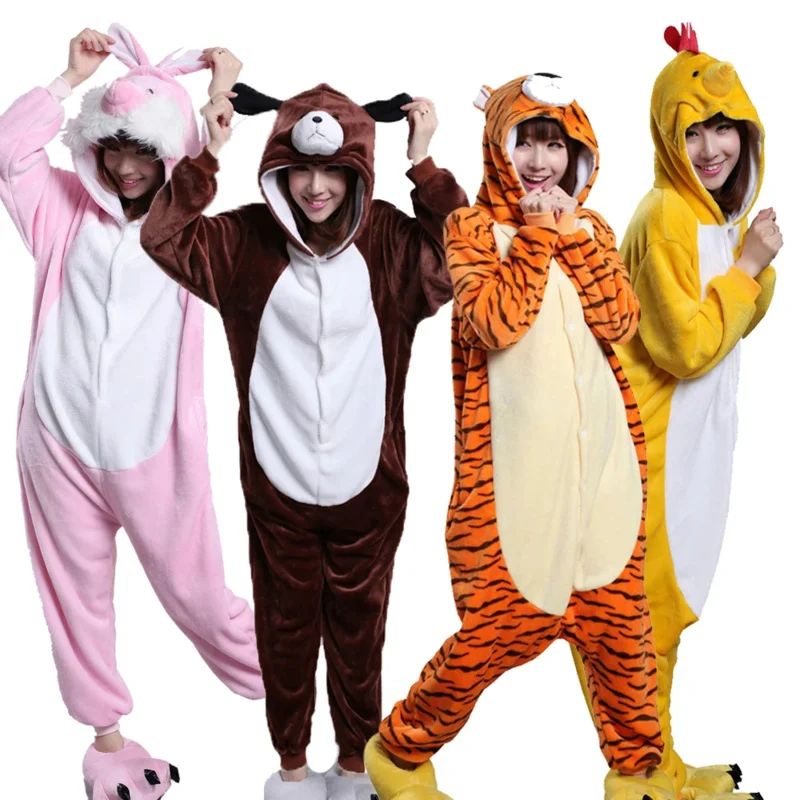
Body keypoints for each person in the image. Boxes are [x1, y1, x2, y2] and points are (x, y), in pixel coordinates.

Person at [140, 54, 468, 800]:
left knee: (360, 637)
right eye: (300, 170)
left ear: (357, 170)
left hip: (369, 490)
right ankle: (291, 770)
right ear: (278, 169)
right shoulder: (242, 242)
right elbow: (162, 238)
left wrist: (424, 167)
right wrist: (208, 155)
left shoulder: (389, 241)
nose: (316, 187)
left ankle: (353, 768)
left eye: (333, 172)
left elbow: (464, 256)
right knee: (284, 636)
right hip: (278, 490)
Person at [364, 71, 674, 800]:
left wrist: (571, 238)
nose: (541, 162)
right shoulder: (474, 230)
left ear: (578, 154)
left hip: (602, 477)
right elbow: (493, 324)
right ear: (499, 148)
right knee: (494, 636)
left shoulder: (593, 230)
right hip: (512, 491)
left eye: (556, 146)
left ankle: (640, 775)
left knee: (623, 640)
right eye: (525, 143)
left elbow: (620, 322)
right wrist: (536, 239)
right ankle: (398, 755)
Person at [0, 25, 263, 799]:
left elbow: (204, 160)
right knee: (73, 601)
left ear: (169, 154)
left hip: (154, 451)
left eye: (142, 151)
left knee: (200, 595)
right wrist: (68, 78)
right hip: (56, 444)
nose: (123, 167)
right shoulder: (61, 212)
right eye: (111, 148)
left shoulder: (184, 228)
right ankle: (109, 748)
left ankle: (298, 684)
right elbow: (9, 152)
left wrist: (218, 95)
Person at [572, 24, 780, 800]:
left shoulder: (712, 219)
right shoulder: (665, 214)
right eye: (693, 131)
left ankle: (660, 762)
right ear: (667, 136)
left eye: (725, 127)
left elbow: (731, 326)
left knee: (663, 614)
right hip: (645, 449)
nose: (712, 147)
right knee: (639, 619)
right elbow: (689, 345)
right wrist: (750, 269)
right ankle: (637, 775)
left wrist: (748, 267)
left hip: (687, 446)